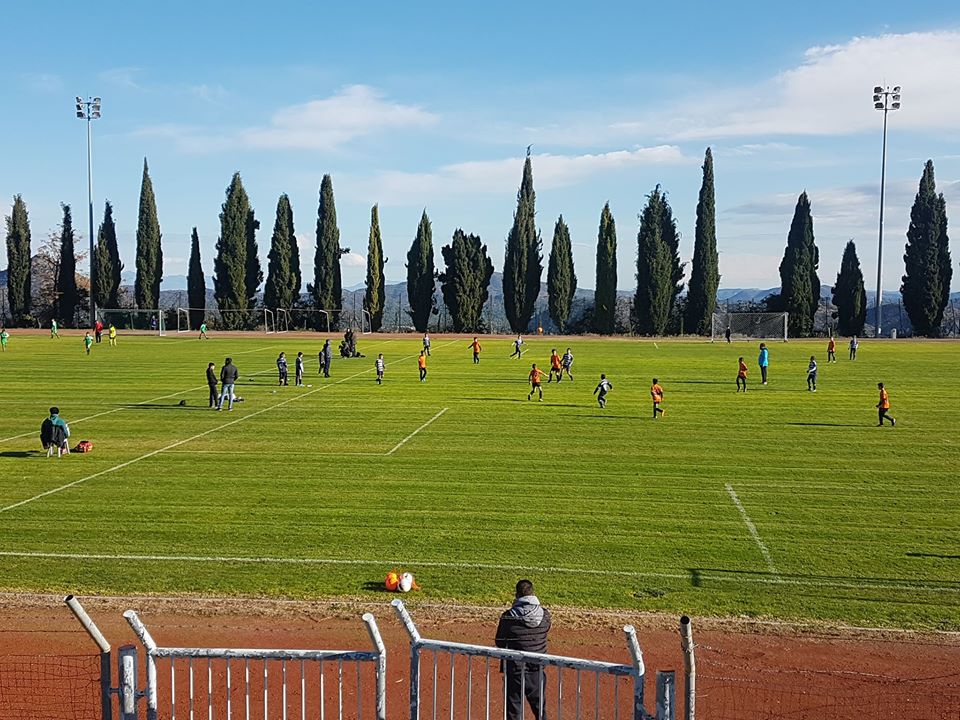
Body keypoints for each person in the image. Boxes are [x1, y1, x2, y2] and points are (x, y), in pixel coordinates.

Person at [495, 579, 551, 720]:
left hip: (515, 671)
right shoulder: (545, 615)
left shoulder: (508, 616)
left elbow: (500, 641)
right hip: (537, 669)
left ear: (517, 595)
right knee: (540, 711)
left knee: (513, 712)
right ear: (532, 594)